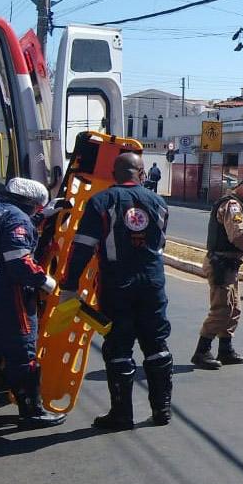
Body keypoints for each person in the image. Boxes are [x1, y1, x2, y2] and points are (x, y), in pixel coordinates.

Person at [60, 152, 173, 430]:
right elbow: (160, 244)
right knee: (156, 345)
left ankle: (122, 415)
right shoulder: (158, 203)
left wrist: (70, 285)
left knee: (119, 347)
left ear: (114, 173)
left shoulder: (101, 202)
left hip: (117, 285)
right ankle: (162, 411)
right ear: (142, 173)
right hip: (152, 284)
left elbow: (83, 247)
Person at [0, 178, 65, 432]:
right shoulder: (16, 218)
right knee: (22, 356)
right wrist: (47, 283)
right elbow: (19, 262)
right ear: (29, 203)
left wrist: (41, 219)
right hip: (6, 299)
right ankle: (32, 413)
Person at [193, 177, 243, 370]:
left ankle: (225, 349)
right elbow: (236, 237)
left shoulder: (232, 203)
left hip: (229, 264)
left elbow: (236, 234)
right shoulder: (233, 205)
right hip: (221, 264)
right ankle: (202, 351)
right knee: (222, 308)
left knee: (233, 308)